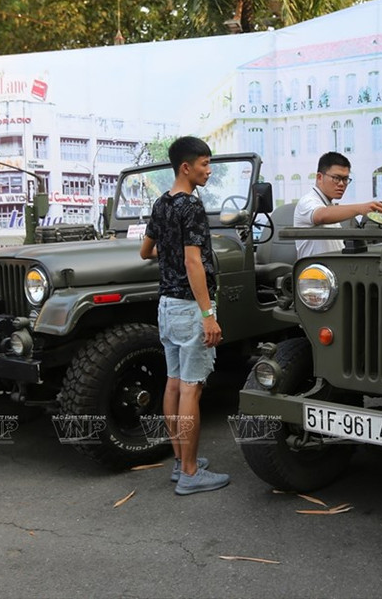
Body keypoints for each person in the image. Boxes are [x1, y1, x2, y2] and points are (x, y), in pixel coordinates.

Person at [139, 136, 230, 495]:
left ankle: (180, 463)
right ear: (185, 167)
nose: (209, 171)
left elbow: (145, 251)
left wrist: (171, 251)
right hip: (190, 308)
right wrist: (208, 314)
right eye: (205, 164)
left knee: (174, 383)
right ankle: (191, 473)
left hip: (166, 306)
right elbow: (194, 262)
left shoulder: (161, 203)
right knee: (192, 388)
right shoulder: (191, 206)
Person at [293, 152, 382, 260]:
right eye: (336, 178)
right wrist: (360, 209)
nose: (341, 184)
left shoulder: (329, 206)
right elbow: (321, 216)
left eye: (345, 179)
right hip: (315, 270)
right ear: (319, 177)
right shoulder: (307, 201)